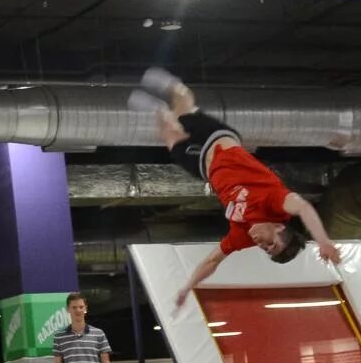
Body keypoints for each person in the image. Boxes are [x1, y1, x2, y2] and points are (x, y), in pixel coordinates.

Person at [130, 67, 342, 307]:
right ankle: (174, 86)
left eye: (266, 250)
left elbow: (213, 261)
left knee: (170, 138)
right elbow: (303, 207)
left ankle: (157, 109)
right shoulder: (275, 203)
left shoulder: (243, 236)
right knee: (183, 111)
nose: (262, 245)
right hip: (220, 142)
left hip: (206, 168)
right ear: (278, 226)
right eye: (271, 243)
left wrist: (188, 287)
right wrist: (323, 241)